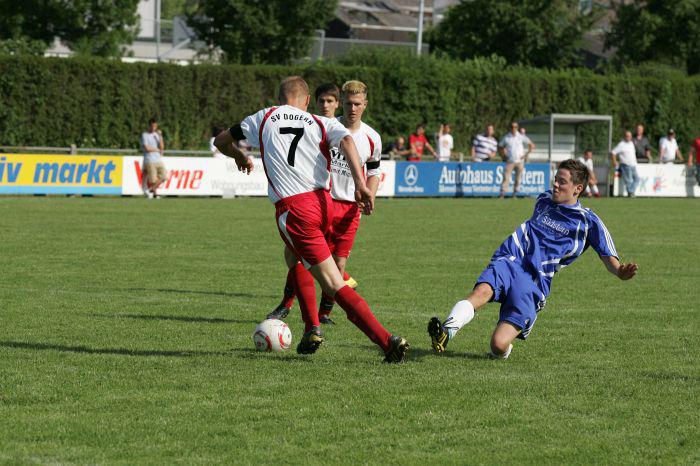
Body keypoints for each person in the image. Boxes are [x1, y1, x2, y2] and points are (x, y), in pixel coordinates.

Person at [214, 76, 409, 363]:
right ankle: (311, 327)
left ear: (280, 97)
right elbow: (347, 142)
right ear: (307, 101)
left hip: (295, 209)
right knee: (302, 262)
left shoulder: (264, 116)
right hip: (324, 203)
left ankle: (385, 341)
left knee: (331, 281)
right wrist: (359, 182)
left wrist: (238, 155)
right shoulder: (321, 122)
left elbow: (221, 141)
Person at [427, 159, 637, 359]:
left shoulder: (588, 222)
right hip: (511, 258)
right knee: (481, 292)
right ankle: (447, 331)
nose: (555, 184)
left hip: (535, 281)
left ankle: (503, 350)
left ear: (577, 188)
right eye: (555, 179)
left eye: (561, 182)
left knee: (498, 345)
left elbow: (606, 253)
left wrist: (619, 271)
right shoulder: (544, 200)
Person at [268, 82, 359, 324]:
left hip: (345, 206)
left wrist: (365, 189)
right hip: (316, 201)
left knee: (330, 263)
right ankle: (288, 304)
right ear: (314, 102)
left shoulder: (360, 134)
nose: (326, 105)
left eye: (331, 101)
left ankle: (323, 315)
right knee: (296, 254)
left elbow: (372, 170)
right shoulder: (309, 124)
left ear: (337, 104)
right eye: (322, 101)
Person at [498, 121, 535, 198]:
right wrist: (503, 156)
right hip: (510, 161)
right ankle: (502, 194)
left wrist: (526, 155)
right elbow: (500, 146)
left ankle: (514, 194)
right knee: (506, 178)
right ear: (510, 127)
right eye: (512, 127)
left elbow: (531, 145)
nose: (513, 128)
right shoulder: (506, 137)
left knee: (518, 179)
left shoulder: (521, 136)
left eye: (515, 127)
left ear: (517, 128)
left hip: (519, 161)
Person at [140, 118, 166, 198]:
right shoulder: (145, 135)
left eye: (155, 126)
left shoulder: (156, 135)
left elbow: (162, 147)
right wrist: (157, 149)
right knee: (153, 180)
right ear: (149, 126)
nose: (153, 128)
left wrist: (160, 136)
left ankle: (151, 190)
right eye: (152, 126)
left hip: (158, 159)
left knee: (164, 177)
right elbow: (147, 148)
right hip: (150, 160)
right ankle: (153, 193)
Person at [611, 131, 639, 197]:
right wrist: (614, 161)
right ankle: (631, 193)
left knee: (637, 179)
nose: (628, 137)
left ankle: (631, 191)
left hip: (633, 165)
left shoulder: (631, 143)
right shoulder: (621, 144)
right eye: (627, 136)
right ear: (625, 136)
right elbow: (613, 152)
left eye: (630, 136)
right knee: (629, 181)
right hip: (625, 165)